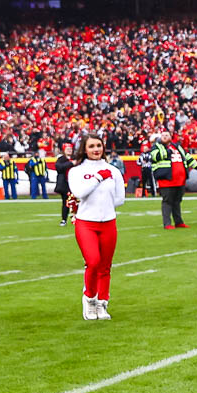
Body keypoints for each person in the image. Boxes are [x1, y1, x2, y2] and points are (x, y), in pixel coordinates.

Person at [69, 133, 126, 321]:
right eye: (92, 146)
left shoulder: (113, 170)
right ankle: (89, 299)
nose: (96, 150)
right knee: (93, 262)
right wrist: (97, 179)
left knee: (105, 266)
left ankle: (103, 303)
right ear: (84, 149)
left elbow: (120, 199)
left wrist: (105, 203)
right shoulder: (76, 171)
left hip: (109, 222)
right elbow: (79, 192)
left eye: (99, 146)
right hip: (86, 222)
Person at [147, 131, 189, 229]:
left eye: (167, 135)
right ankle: (167, 223)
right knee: (167, 201)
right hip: (166, 180)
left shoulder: (177, 147)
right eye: (163, 135)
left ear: (171, 137)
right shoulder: (156, 147)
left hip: (179, 180)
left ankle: (179, 222)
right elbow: (155, 156)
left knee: (177, 201)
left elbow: (187, 158)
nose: (165, 137)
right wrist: (169, 151)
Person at [53, 142, 75, 226]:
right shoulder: (61, 159)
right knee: (65, 202)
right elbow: (59, 168)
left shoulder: (75, 158)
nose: (69, 151)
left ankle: (77, 219)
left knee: (76, 202)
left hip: (75, 183)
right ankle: (64, 219)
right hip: (65, 184)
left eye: (70, 149)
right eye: (67, 149)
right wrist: (71, 163)